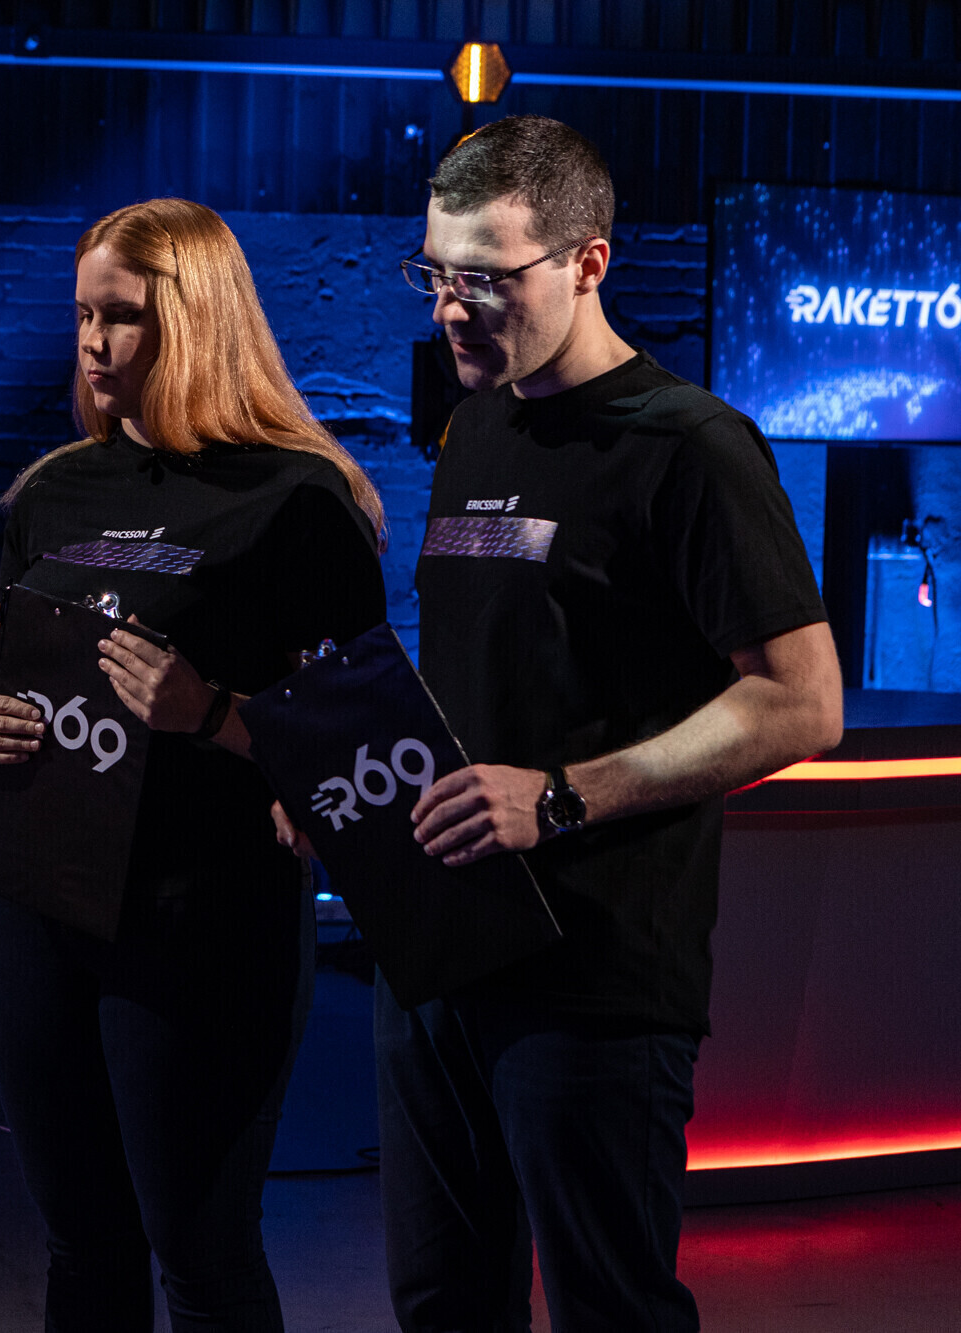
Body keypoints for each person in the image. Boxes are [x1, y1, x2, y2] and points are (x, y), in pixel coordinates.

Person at [376, 116, 843, 1331]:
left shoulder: (689, 448)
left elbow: (802, 699)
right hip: (439, 952)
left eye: (486, 279)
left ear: (587, 262)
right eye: (434, 274)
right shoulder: (475, 424)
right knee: (438, 1304)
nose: (451, 308)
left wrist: (560, 794)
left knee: (608, 1309)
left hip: (590, 977)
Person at [0, 197, 389, 1333]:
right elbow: (22, 682)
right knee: (80, 1244)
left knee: (200, 1252)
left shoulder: (299, 501)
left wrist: (210, 713)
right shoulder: (51, 491)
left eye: (122, 317)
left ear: (196, 319)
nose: (92, 343)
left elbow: (360, 751)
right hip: (35, 906)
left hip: (203, 921)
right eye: (81, 315)